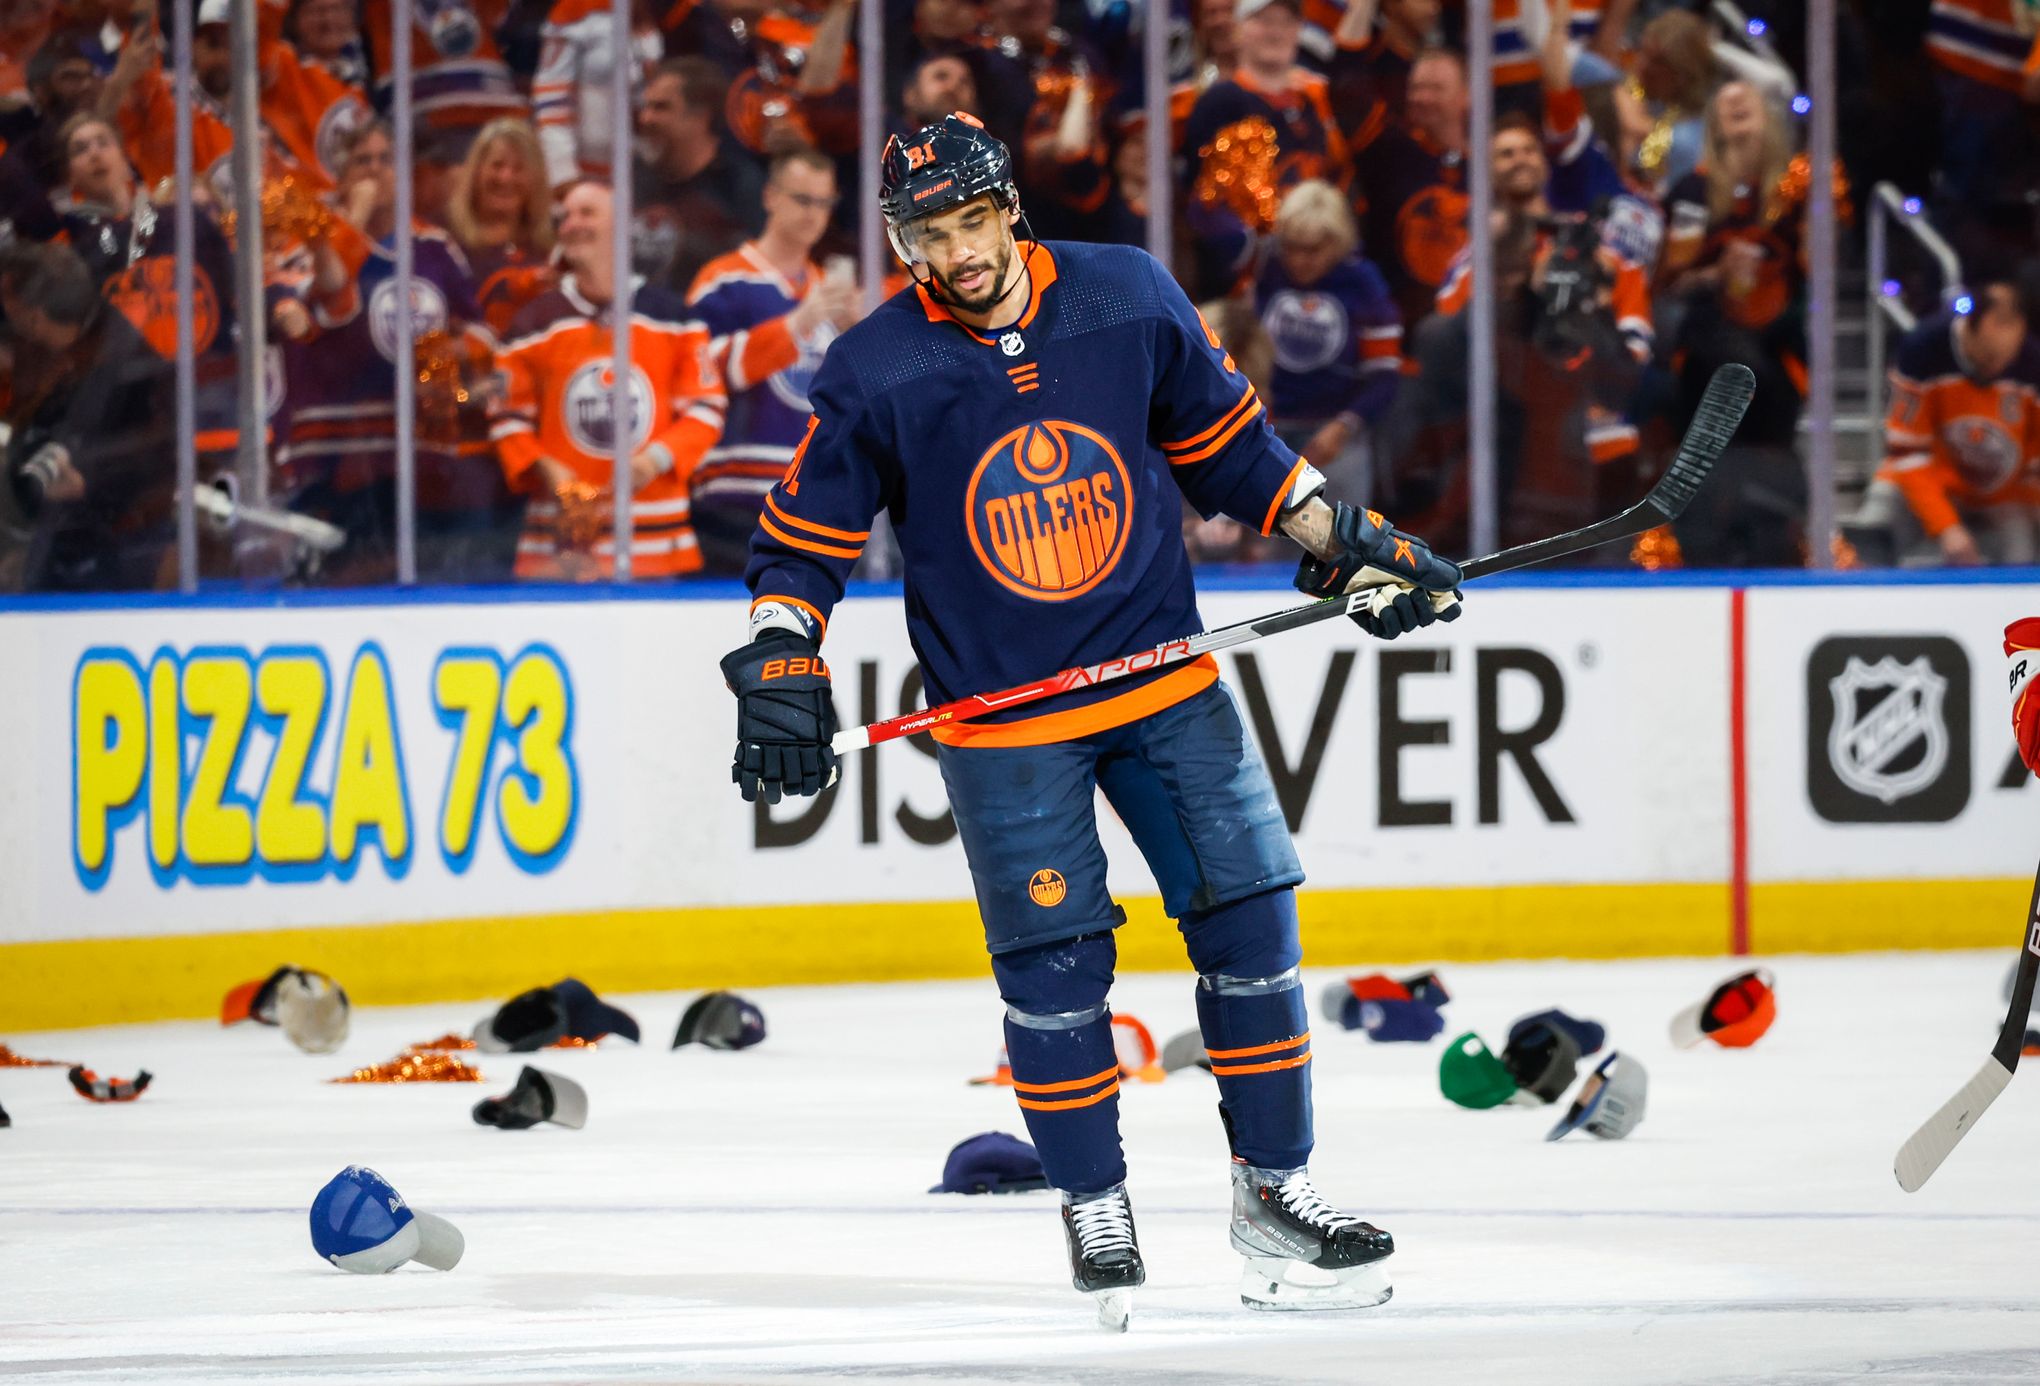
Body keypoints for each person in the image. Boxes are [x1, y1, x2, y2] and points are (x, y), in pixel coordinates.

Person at [718, 113, 1463, 1325]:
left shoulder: (1125, 294)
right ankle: (1093, 1206)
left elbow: (1238, 459)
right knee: (1057, 969)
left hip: (1162, 682)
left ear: (1008, 206)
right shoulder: (875, 367)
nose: (956, 254)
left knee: (1252, 915)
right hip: (1005, 726)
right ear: (902, 242)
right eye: (926, 234)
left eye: (969, 222)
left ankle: (1276, 1194)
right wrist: (779, 662)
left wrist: (1356, 546)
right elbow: (802, 547)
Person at [492, 180, 726, 578]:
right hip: (559, 548)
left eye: (587, 213)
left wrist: (654, 461)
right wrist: (547, 468)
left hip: (653, 542)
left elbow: (706, 407)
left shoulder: (673, 318)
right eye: (565, 217)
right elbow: (506, 415)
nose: (572, 224)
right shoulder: (533, 321)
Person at [685, 148, 860, 573]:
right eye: (802, 199)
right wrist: (796, 325)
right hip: (732, 500)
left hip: (809, 497)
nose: (814, 214)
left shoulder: (827, 289)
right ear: (770, 197)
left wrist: (860, 334)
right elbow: (697, 371)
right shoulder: (722, 279)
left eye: (824, 203)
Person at [1852, 269, 2040, 566]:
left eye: (2006, 362)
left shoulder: (2031, 361)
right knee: (1877, 516)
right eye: (1990, 359)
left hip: (2002, 494)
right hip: (1932, 481)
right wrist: (1946, 526)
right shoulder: (1922, 349)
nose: (1996, 370)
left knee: (2023, 552)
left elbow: (2035, 456)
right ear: (1970, 329)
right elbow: (1907, 451)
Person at [1253, 179, 1400, 502]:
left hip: (1336, 433)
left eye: (1313, 250)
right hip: (1267, 429)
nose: (1300, 260)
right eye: (1291, 248)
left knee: (1341, 543)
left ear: (1336, 243)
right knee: (1265, 543)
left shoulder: (1363, 283)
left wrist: (1343, 426)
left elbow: (1385, 375)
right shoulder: (1266, 271)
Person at [633, 56, 766, 292]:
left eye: (661, 107)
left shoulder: (741, 185)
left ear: (700, 117)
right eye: (646, 107)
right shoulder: (635, 181)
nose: (645, 118)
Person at [445, 116, 556, 338]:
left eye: (518, 169)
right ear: (476, 171)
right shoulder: (442, 241)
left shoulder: (553, 245)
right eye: (497, 165)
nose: (506, 177)